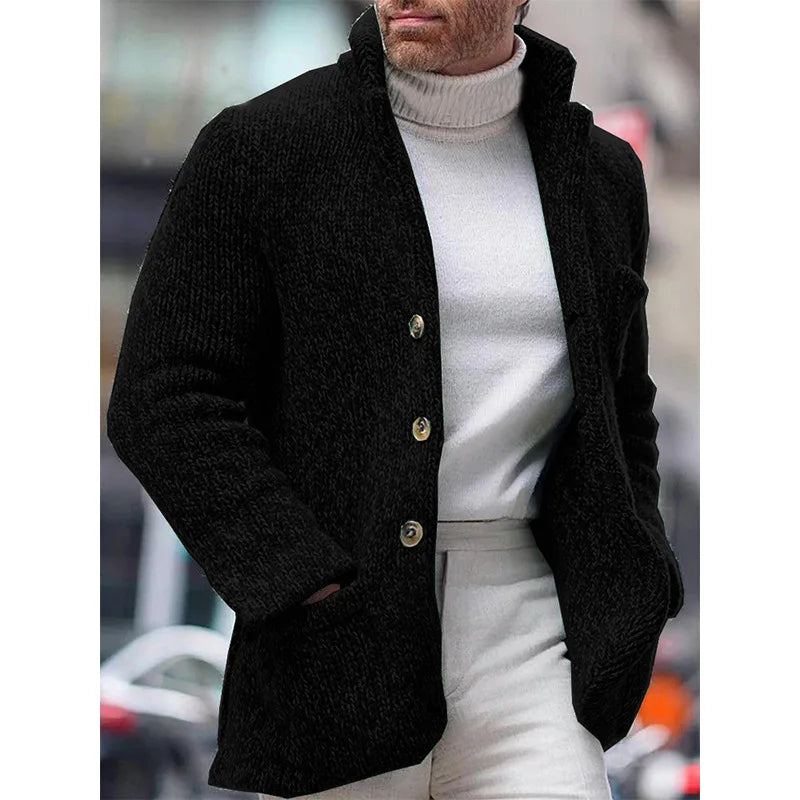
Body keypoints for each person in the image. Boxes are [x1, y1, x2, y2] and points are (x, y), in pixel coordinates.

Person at [106, 1, 684, 798]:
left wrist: (640, 580)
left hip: (534, 645)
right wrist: (303, 581)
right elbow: (164, 395)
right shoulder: (262, 147)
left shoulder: (601, 175)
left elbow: (623, 406)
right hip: (335, 645)